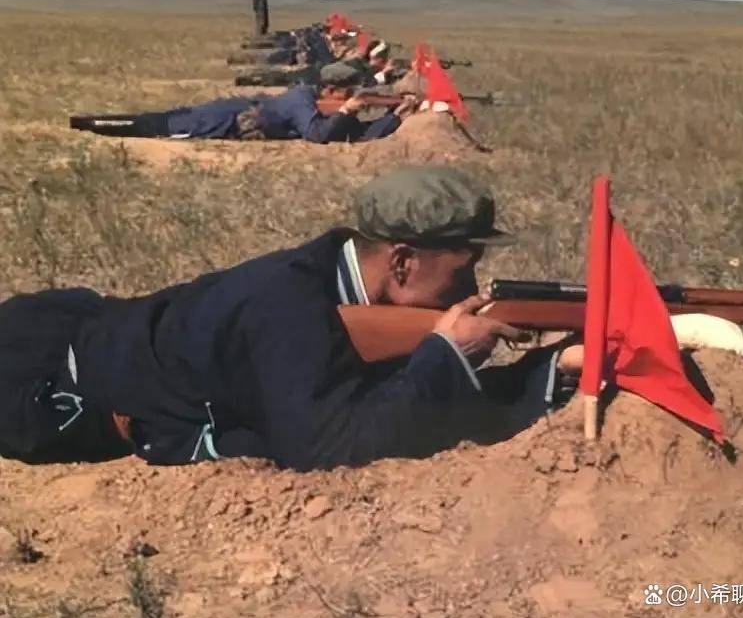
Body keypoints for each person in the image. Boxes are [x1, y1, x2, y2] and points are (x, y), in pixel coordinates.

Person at [0, 166, 583, 469]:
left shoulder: (340, 282)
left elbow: (402, 402)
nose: (472, 287)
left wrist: (552, 368)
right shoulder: (287, 306)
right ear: (402, 263)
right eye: (463, 269)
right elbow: (330, 446)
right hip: (40, 374)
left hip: (98, 324)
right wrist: (447, 354)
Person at [70, 64, 414, 143]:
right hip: (226, 119)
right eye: (345, 94)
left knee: (164, 120)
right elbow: (317, 135)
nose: (347, 99)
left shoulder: (311, 98)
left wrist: (396, 114)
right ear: (330, 89)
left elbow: (349, 131)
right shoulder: (302, 99)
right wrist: (348, 110)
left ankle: (88, 124)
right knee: (162, 125)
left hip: (238, 114)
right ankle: (88, 126)